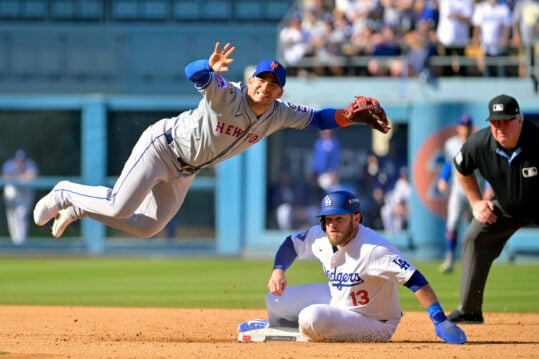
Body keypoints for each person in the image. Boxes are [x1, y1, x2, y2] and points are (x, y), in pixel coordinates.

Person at [33, 42, 388, 239]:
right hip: (161, 147)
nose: (264, 86)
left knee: (148, 227)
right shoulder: (227, 94)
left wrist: (346, 115)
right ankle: (66, 192)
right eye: (260, 80)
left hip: (187, 169)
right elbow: (193, 73)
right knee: (119, 207)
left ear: (279, 91)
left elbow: (318, 119)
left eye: (272, 84)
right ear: (250, 82)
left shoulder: (279, 113)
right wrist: (208, 65)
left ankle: (80, 208)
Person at [238, 190, 467, 344]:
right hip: (339, 300)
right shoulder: (320, 235)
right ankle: (278, 327)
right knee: (274, 299)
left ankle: (292, 334)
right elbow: (291, 244)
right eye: (328, 219)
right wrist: (279, 270)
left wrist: (440, 320)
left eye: (339, 218)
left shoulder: (374, 249)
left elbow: (414, 278)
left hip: (375, 321)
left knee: (310, 318)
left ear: (356, 218)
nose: (332, 224)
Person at [448, 94, 539, 324]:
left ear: (519, 119)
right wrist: (476, 202)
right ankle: (469, 310)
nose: (500, 127)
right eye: (495, 122)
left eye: (506, 121)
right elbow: (461, 168)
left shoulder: (536, 139)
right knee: (474, 236)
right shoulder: (480, 143)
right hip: (507, 207)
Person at [437, 114, 474, 273]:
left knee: (475, 227)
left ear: (471, 128)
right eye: (462, 125)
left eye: (467, 126)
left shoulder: (477, 143)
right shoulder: (451, 144)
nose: (464, 129)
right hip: (458, 190)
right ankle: (450, 259)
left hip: (475, 190)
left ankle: (474, 259)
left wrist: (488, 188)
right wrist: (443, 178)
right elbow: (447, 164)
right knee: (452, 223)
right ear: (458, 127)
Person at [2, 149, 39, 245]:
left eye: (22, 160)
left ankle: (20, 241)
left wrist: (20, 178)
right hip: (12, 191)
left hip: (24, 191)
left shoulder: (30, 164)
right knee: (12, 215)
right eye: (18, 160)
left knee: (21, 214)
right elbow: (6, 177)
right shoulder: (9, 164)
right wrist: (21, 178)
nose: (20, 162)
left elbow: (32, 175)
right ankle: (15, 241)